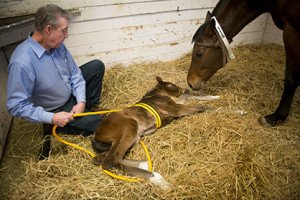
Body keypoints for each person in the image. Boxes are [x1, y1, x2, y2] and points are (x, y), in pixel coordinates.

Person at [6, 4, 104, 136]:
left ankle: (87, 108)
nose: (67, 35)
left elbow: (74, 73)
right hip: (57, 108)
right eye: (64, 30)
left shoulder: (57, 45)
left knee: (96, 66)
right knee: (102, 125)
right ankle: (58, 125)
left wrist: (81, 101)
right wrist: (52, 118)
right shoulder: (22, 61)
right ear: (48, 29)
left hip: (69, 92)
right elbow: (15, 105)